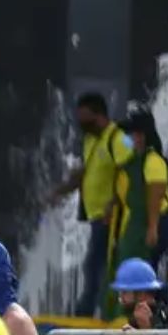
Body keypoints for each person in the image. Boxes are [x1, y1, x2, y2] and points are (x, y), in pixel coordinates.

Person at [50, 93, 133, 318]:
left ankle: (89, 312)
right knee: (95, 265)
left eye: (86, 119)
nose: (82, 125)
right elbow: (86, 172)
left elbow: (130, 173)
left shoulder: (119, 139)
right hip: (96, 216)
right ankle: (89, 311)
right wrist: (61, 190)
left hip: (113, 216)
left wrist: (114, 202)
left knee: (97, 266)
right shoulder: (91, 140)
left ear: (99, 115)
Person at [100, 111, 168, 319]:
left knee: (144, 272)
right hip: (138, 221)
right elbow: (127, 189)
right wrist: (112, 204)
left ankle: (155, 316)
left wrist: (152, 227)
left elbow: (156, 194)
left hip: (155, 220)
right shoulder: (134, 160)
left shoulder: (153, 161)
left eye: (131, 134)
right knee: (137, 267)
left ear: (141, 135)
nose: (128, 139)